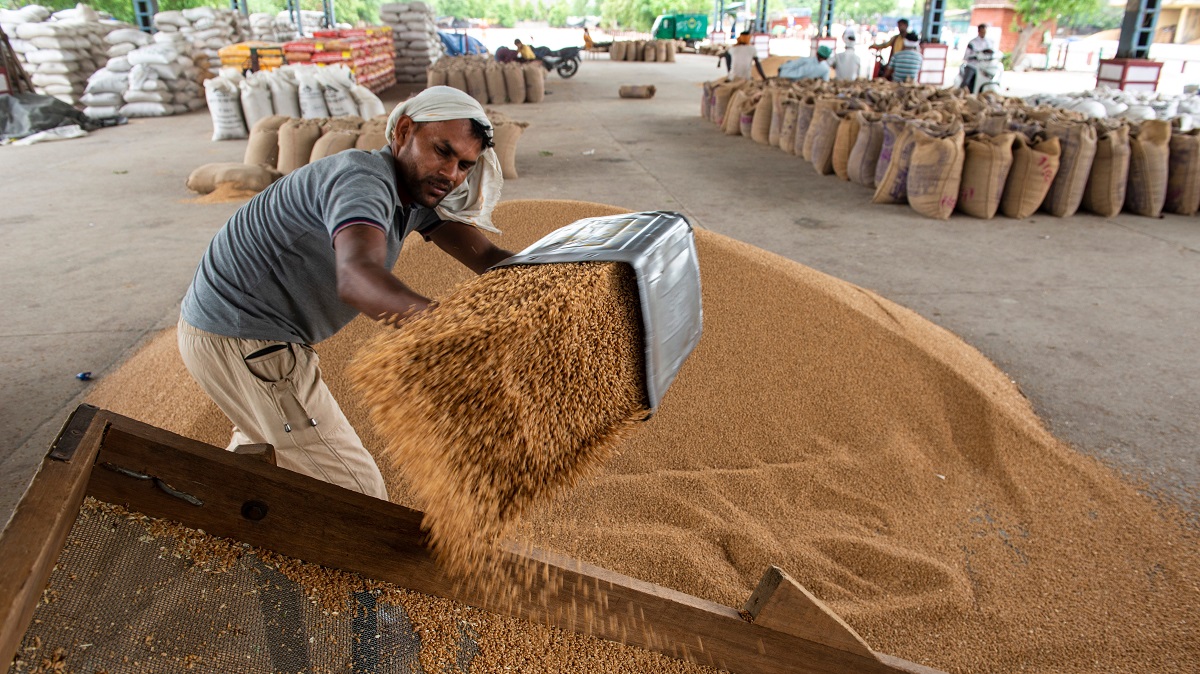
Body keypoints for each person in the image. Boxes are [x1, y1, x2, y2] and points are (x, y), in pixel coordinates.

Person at [177, 87, 513, 500]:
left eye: (465, 165)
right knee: (358, 494)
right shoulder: (362, 180)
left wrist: (561, 274)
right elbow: (358, 279)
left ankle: (209, 520)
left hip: (230, 330)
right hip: (243, 336)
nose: (452, 174)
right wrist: (454, 333)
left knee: (264, 449)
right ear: (404, 130)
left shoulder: (416, 195)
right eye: (442, 151)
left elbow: (491, 257)